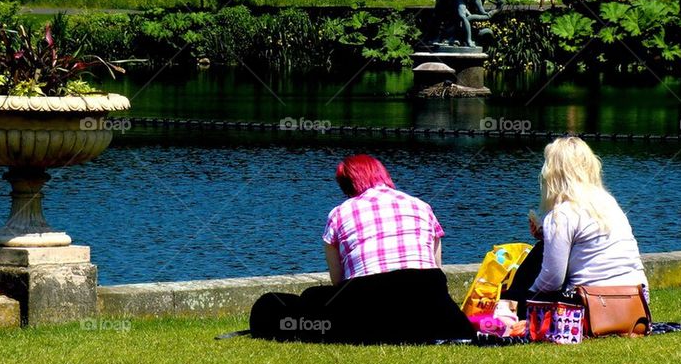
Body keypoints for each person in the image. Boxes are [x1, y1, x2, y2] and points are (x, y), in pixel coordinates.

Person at [249, 154, 474, 344]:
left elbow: (338, 280)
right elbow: (436, 268)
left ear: (348, 185)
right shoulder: (422, 206)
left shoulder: (340, 213)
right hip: (427, 297)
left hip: (367, 301)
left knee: (286, 303)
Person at [503, 137, 649, 319]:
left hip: (592, 307)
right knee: (543, 247)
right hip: (636, 304)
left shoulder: (561, 215)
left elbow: (551, 281)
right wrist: (547, 236)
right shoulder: (608, 203)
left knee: (537, 257)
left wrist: (526, 296)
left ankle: (508, 307)